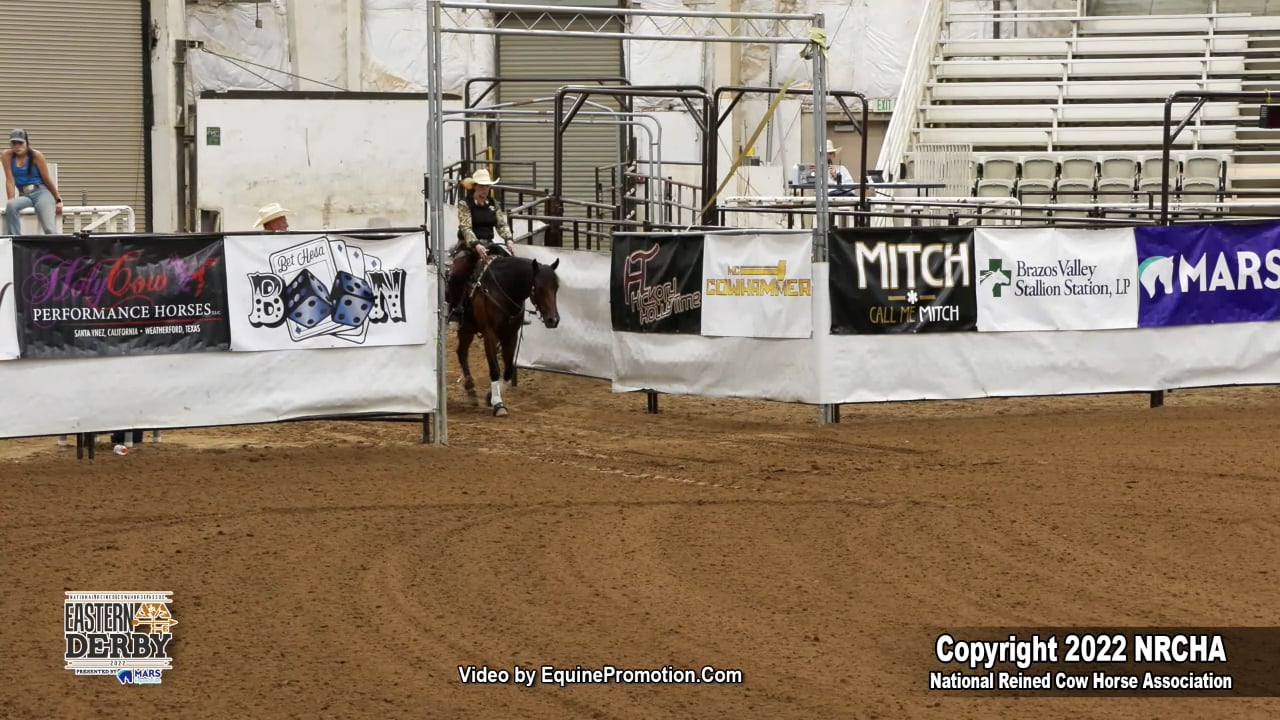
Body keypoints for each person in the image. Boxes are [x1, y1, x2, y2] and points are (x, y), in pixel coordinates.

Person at [446, 169, 515, 322]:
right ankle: (455, 308)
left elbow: (501, 224)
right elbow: (466, 227)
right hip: (468, 244)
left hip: (489, 243)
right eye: (482, 186)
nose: (485, 189)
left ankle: (512, 307)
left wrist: (508, 239)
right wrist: (476, 244)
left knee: (511, 267)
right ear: (475, 187)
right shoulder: (465, 204)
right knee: (457, 273)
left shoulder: (493, 204)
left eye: (487, 186)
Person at [3, 129, 63, 235]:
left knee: (49, 228)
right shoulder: (6, 156)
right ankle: (14, 241)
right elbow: (10, 180)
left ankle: (55, 249)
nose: (17, 146)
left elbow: (47, 179)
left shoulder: (36, 155)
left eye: (20, 143)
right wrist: (11, 199)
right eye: (14, 143)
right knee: (11, 205)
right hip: (24, 195)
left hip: (41, 192)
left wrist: (58, 199)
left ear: (27, 143)